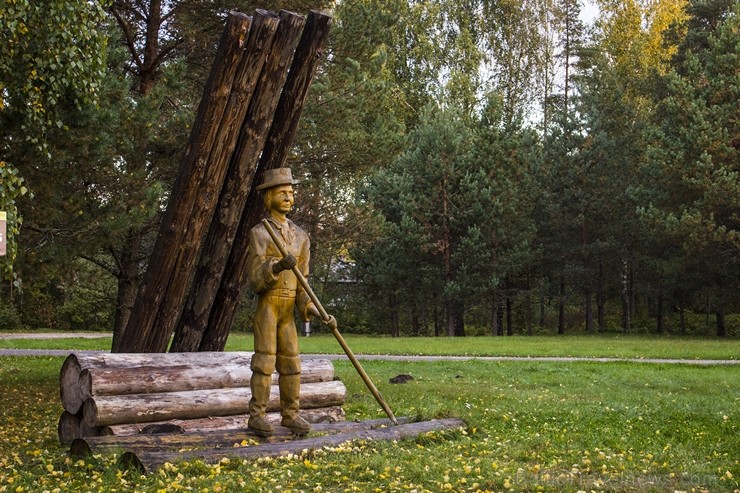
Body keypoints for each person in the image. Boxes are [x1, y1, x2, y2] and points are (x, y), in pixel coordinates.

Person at [246, 167, 337, 436]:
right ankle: (257, 415)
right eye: (282, 193)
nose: (288, 197)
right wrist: (275, 267)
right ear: (269, 197)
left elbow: (304, 281)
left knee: (291, 364)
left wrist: (313, 309)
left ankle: (290, 414)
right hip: (269, 306)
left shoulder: (301, 237)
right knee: (264, 362)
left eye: (291, 193)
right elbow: (254, 277)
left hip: (288, 310)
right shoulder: (260, 232)